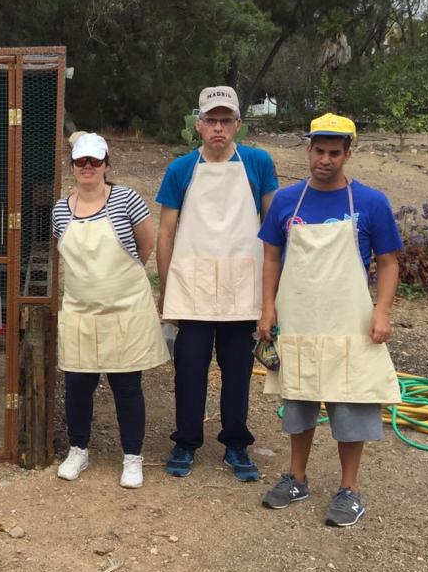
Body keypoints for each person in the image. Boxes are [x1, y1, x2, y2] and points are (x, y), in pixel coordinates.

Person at [257, 113, 402, 528]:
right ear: (308, 150)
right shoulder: (287, 201)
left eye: (334, 152)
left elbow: (388, 262)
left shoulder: (370, 203)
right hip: (299, 317)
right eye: (319, 150)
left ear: (348, 154)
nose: (325, 159)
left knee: (351, 401)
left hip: (349, 321)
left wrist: (382, 310)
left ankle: (349, 489)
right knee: (298, 397)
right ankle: (296, 478)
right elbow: (271, 258)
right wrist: (267, 308)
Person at [156, 86, 278, 480]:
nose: (218, 128)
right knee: (189, 368)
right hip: (192, 285)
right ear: (199, 125)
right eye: (211, 120)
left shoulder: (258, 163)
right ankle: (186, 440)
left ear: (238, 124)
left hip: (242, 285)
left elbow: (273, 227)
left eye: (226, 120)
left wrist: (271, 295)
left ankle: (236, 443)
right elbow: (166, 232)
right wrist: (166, 289)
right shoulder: (180, 169)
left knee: (238, 370)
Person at [53, 132, 169, 488]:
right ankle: (78, 450)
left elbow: (145, 245)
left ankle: (132, 457)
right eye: (81, 161)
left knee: (126, 385)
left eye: (95, 160)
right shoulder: (60, 210)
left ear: (106, 164)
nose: (87, 166)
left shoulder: (126, 199)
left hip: (124, 309)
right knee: (78, 384)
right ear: (72, 165)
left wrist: (119, 281)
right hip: (80, 309)